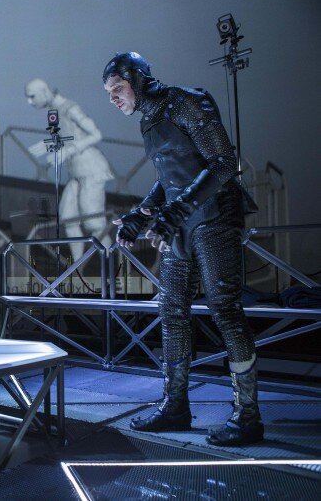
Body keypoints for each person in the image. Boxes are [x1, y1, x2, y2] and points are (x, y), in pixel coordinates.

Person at [105, 52, 262, 446]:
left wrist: (176, 210)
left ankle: (248, 416)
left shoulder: (186, 101)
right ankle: (175, 406)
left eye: (117, 88)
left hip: (215, 215)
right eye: (108, 92)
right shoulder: (149, 119)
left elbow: (223, 163)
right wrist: (141, 215)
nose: (113, 98)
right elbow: (170, 176)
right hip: (182, 222)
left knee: (225, 310)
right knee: (171, 310)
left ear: (138, 79)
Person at [25, 78, 114, 260]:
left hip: (91, 170)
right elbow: (64, 138)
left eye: (32, 96)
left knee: (95, 224)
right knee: (68, 218)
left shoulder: (70, 108)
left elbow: (96, 134)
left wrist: (68, 151)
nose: (30, 102)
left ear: (44, 91)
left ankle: (112, 268)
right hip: (76, 173)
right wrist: (48, 145)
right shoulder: (52, 111)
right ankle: (78, 267)